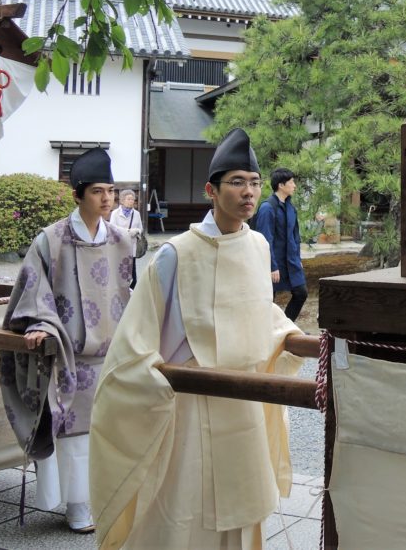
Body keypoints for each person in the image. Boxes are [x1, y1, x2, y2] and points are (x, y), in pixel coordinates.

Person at [89, 128, 304, 549]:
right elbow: (138, 337)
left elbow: (258, 312)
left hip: (245, 402)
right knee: (187, 516)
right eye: (237, 182)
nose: (248, 192)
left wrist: (288, 333)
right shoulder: (177, 254)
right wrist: (154, 382)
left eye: (255, 182)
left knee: (243, 513)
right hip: (191, 402)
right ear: (211, 189)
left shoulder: (259, 246)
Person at [0, 148, 134, 533]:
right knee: (73, 438)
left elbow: (130, 294)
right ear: (77, 195)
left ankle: (100, 498)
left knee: (107, 433)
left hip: (110, 355)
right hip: (68, 357)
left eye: (110, 190)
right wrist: (41, 323)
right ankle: (77, 506)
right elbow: (32, 288)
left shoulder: (123, 240)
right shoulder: (51, 240)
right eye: (97, 191)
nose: (106, 199)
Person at [255, 167, 307, 321]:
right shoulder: (267, 208)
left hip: (290, 261)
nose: (294, 185)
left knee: (301, 293)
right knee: (268, 299)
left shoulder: (291, 208)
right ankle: (266, 334)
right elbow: (264, 240)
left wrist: (297, 259)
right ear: (281, 185)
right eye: (291, 182)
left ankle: (285, 327)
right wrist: (272, 266)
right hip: (273, 263)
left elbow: (295, 237)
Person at [109, 188, 145, 287]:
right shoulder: (115, 213)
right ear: (122, 200)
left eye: (133, 199)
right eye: (128, 199)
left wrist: (137, 231)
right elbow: (112, 229)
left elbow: (140, 229)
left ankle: (132, 289)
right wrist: (128, 232)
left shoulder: (136, 214)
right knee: (119, 269)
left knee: (132, 271)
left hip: (131, 246)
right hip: (119, 246)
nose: (131, 201)